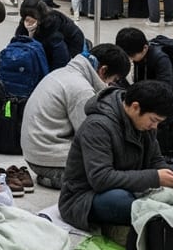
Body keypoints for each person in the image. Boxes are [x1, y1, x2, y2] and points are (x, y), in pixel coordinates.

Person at [58, 81, 173, 232]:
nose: (155, 127)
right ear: (135, 107)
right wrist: (155, 178)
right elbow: (100, 179)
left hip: (131, 189)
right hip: (85, 198)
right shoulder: (97, 126)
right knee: (121, 201)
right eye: (154, 120)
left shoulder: (144, 125)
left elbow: (155, 161)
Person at [21, 44, 131, 190]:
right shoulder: (81, 89)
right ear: (103, 70)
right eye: (114, 79)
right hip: (50, 160)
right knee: (108, 178)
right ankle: (56, 179)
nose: (111, 85)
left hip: (37, 155)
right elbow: (92, 137)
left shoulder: (63, 73)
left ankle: (51, 178)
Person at [14, 0, 87, 71]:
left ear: (39, 18)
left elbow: (61, 60)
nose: (28, 23)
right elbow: (17, 41)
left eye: (32, 20)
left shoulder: (52, 27)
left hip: (73, 46)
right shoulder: (26, 21)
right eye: (26, 19)